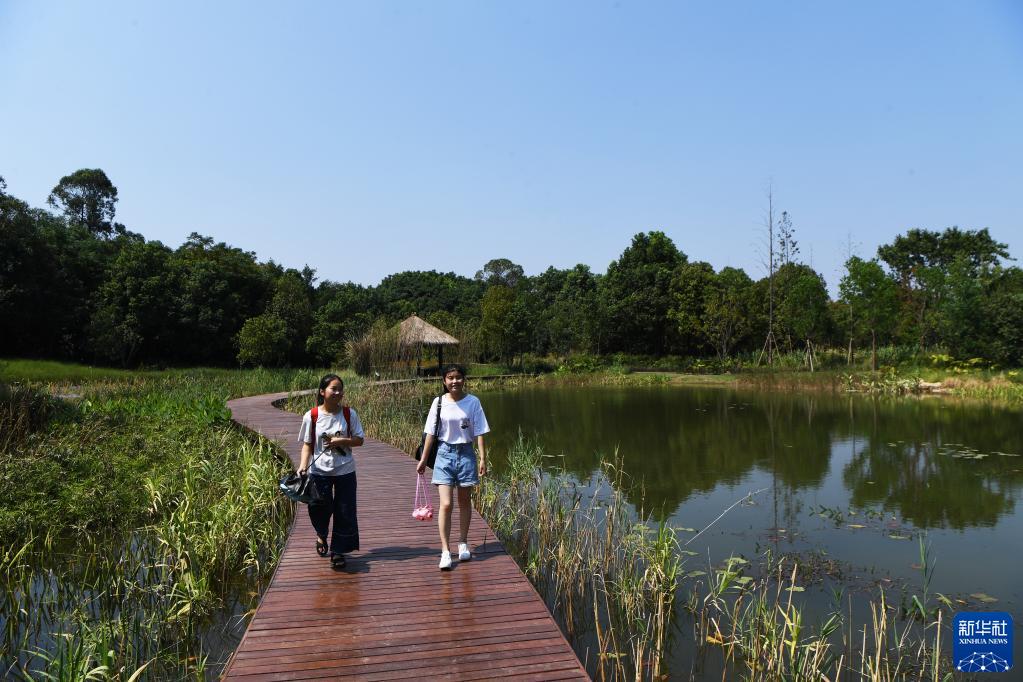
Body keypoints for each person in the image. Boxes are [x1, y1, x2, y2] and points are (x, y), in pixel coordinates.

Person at [416, 364, 490, 570]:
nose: (454, 381)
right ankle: (445, 551)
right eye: (450, 378)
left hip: (466, 454)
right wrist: (423, 460)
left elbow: (480, 432)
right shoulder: (438, 402)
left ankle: (463, 542)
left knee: (465, 502)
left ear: (463, 379)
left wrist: (482, 458)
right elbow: (430, 433)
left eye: (458, 377)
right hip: (444, 455)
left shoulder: (473, 401)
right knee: (446, 504)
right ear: (444, 381)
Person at [297, 374, 364, 570]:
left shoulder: (349, 414)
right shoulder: (312, 416)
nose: (338, 392)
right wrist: (303, 465)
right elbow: (308, 445)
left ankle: (338, 551)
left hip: (345, 471)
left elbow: (359, 440)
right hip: (319, 471)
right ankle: (321, 533)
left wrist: (341, 441)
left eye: (340, 389)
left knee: (344, 511)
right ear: (322, 392)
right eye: (333, 389)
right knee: (318, 508)